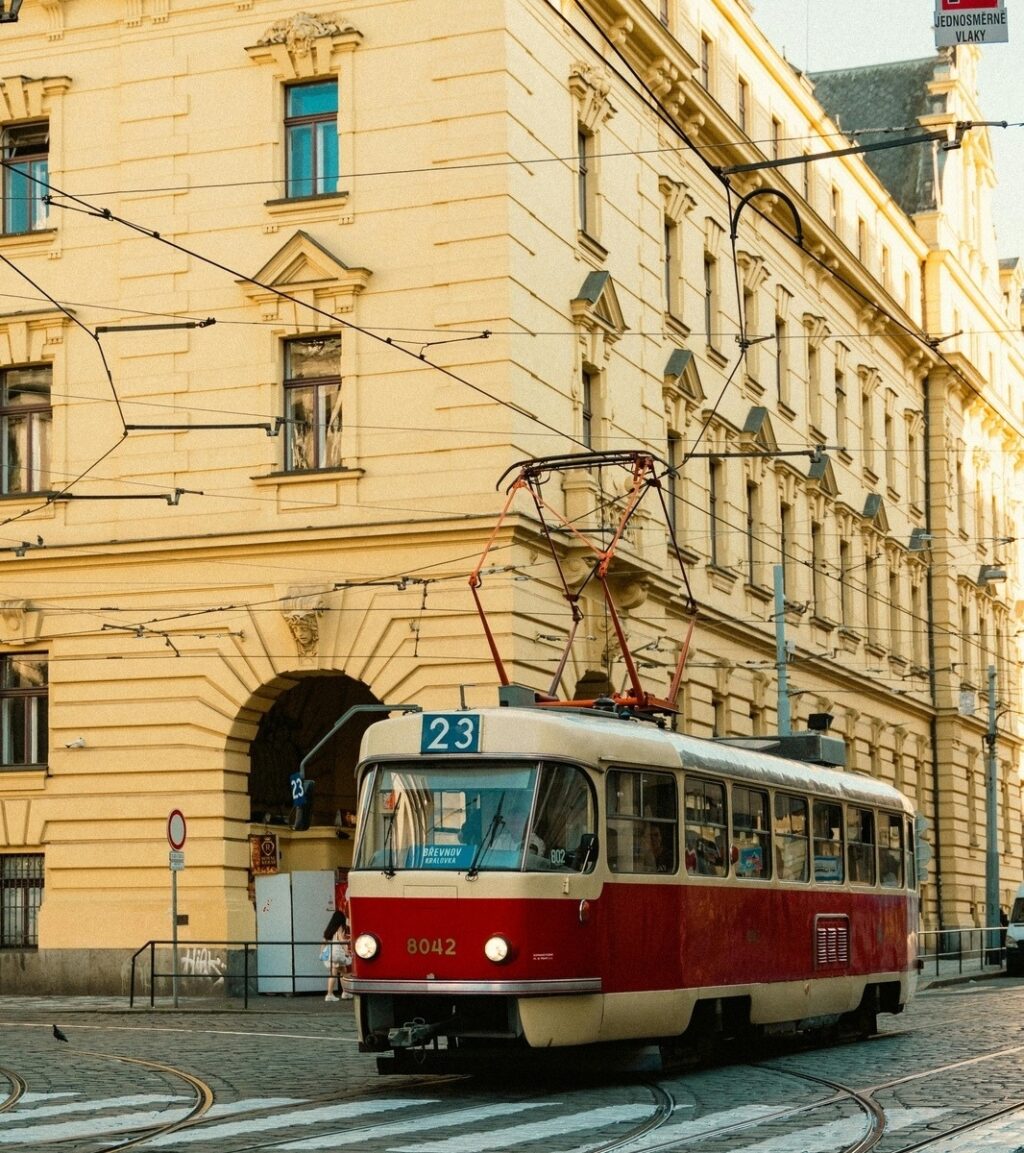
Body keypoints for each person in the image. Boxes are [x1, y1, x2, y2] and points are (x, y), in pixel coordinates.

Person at [322, 909, 352, 1001]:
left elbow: (324, 941)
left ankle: (345, 992)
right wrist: (346, 950)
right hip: (337, 953)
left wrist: (322, 952)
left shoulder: (329, 928)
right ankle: (330, 994)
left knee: (344, 971)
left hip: (330, 952)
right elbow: (341, 939)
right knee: (335, 973)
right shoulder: (340, 927)